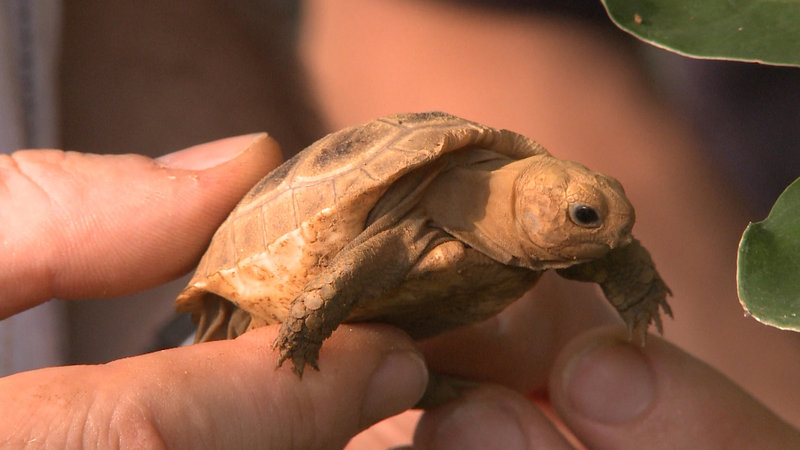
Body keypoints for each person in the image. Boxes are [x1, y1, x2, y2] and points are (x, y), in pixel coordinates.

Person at [2, 134, 798, 448]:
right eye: (585, 216)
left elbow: (594, 250)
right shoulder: (416, 214)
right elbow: (357, 267)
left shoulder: (523, 232)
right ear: (523, 197)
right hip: (271, 285)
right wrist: (308, 323)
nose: (607, 232)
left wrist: (631, 277)